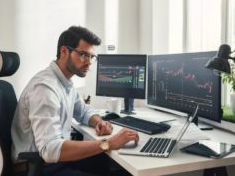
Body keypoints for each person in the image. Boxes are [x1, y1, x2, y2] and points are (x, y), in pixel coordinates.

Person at [11, 26, 139, 176]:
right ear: (65, 51)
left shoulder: (65, 82)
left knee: (117, 167)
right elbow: (50, 150)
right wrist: (108, 143)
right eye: (84, 55)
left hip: (56, 161)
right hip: (40, 168)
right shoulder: (45, 89)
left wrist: (99, 122)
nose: (89, 62)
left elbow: (84, 112)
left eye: (92, 57)